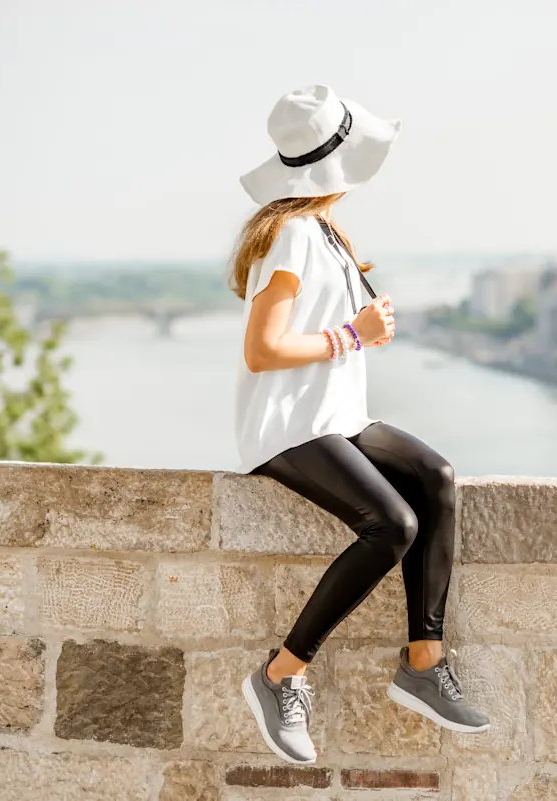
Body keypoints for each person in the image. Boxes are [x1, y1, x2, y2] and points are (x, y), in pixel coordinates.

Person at [229, 84, 489, 766]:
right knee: (392, 525)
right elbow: (262, 351)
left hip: (336, 418)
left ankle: (424, 661)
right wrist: (353, 334)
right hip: (289, 426)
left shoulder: (320, 232)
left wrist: (358, 334)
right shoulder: (289, 235)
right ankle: (282, 670)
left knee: (435, 476)